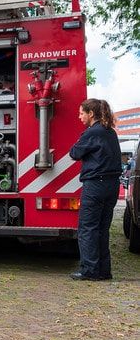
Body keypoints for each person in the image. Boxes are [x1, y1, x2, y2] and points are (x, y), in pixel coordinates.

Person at [68, 98, 122, 281]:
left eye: (82, 113)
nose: (79, 116)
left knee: (88, 228)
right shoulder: (110, 132)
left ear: (91, 114)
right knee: (102, 228)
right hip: (112, 185)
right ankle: (104, 271)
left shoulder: (92, 133)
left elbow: (74, 153)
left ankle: (89, 271)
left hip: (95, 185)